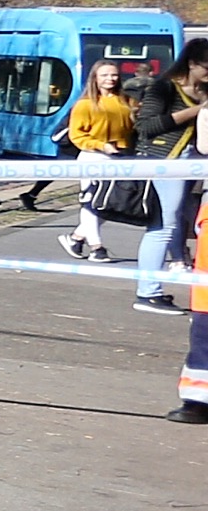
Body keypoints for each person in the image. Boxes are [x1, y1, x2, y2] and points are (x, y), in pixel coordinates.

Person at [134, 40, 203, 314]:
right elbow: (146, 126)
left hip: (197, 163)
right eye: (206, 68)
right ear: (191, 64)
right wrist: (196, 111)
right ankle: (148, 291)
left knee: (194, 222)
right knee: (163, 226)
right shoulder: (164, 87)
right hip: (167, 161)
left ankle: (178, 270)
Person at [59, 65, 135, 262]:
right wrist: (101, 145)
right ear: (95, 78)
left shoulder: (126, 101)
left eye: (114, 75)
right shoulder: (85, 104)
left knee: (112, 203)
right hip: (93, 157)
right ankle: (96, 247)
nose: (110, 79)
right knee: (92, 202)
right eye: (105, 75)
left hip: (121, 158)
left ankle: (76, 238)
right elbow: (77, 135)